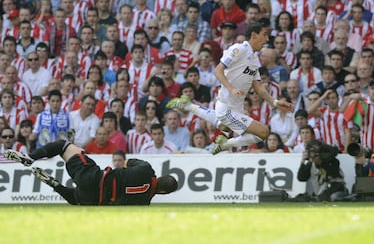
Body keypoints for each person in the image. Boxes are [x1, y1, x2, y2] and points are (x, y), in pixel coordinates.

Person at [167, 22, 293, 154]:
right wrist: (231, 88)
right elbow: (218, 70)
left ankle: (189, 106)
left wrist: (275, 102)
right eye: (264, 35)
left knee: (222, 124)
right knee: (263, 132)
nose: (267, 39)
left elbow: (258, 87)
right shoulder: (239, 49)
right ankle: (225, 143)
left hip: (236, 108)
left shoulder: (254, 58)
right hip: (227, 107)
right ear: (254, 35)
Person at [4, 140, 178, 205]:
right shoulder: (144, 202)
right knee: (76, 199)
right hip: (98, 199)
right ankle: (54, 184)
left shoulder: (146, 169)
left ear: (160, 177)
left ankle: (30, 157)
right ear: (162, 191)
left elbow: (126, 162)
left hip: (96, 178)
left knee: (63, 146)